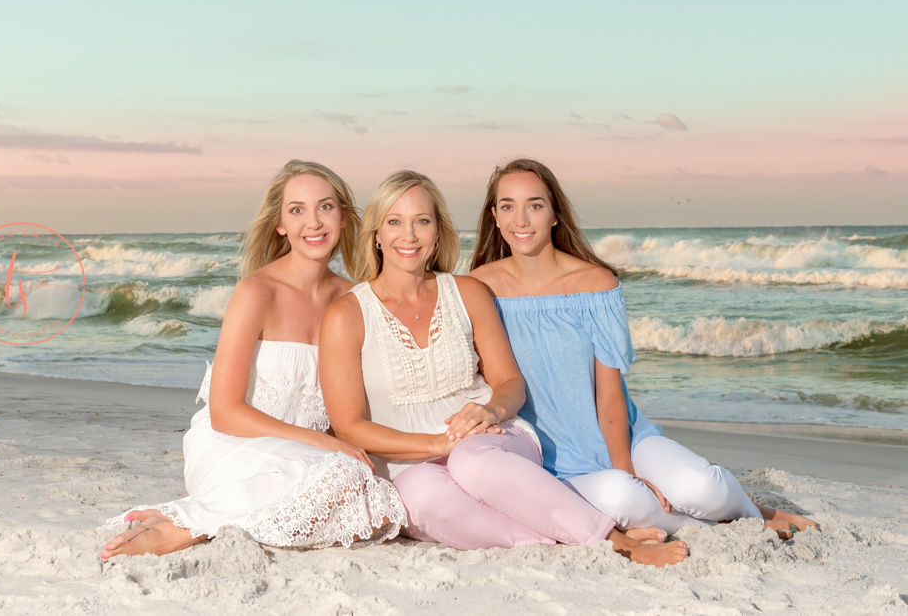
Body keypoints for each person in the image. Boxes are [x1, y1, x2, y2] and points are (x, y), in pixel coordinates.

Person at [319, 170, 688, 567]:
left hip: (495, 439)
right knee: (417, 496)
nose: (408, 236)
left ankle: (617, 543)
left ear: (438, 231)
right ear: (376, 234)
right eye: (394, 222)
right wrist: (436, 445)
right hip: (408, 459)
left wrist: (492, 411)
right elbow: (349, 427)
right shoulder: (347, 314)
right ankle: (575, 537)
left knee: (470, 461)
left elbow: (510, 382)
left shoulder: (468, 293)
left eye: (422, 221)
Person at [469, 158, 818, 537]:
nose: (521, 220)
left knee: (703, 488)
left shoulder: (596, 283)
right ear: (494, 215)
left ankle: (750, 511)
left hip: (626, 437)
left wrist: (626, 468)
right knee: (625, 499)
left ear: (555, 214)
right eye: (508, 207)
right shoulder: (478, 288)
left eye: (535, 205)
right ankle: (735, 526)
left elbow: (609, 393)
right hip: (545, 458)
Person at [101, 160, 405, 559]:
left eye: (325, 207)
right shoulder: (256, 291)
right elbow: (224, 413)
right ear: (280, 224)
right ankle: (185, 524)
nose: (313, 222)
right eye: (297, 210)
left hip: (308, 457)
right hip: (234, 445)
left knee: (377, 503)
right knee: (345, 479)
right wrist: (320, 444)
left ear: (344, 217)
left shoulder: (355, 300)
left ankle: (191, 519)